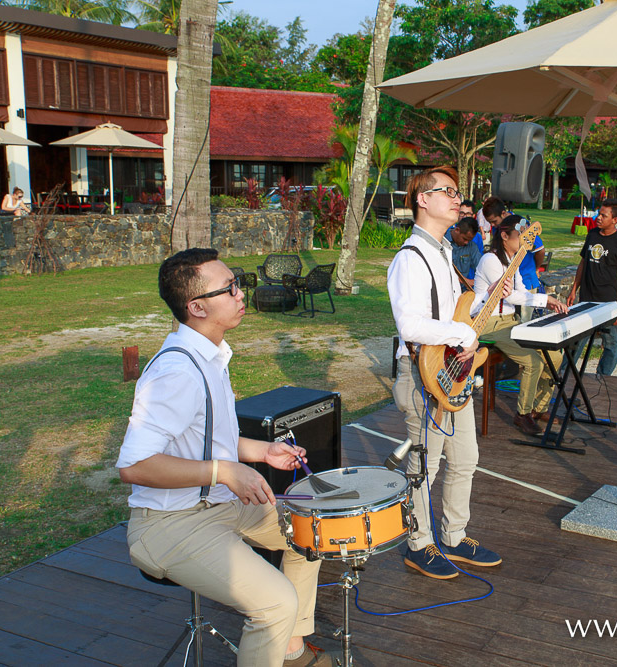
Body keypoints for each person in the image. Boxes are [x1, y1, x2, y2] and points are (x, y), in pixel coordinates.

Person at [116, 248, 338, 667]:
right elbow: (134, 466)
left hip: (218, 506)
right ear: (196, 307)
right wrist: (224, 471)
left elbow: (211, 438)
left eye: (238, 284)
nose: (241, 294)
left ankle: (289, 648)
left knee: (311, 531)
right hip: (168, 525)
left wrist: (263, 451)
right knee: (274, 602)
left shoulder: (212, 356)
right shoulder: (176, 372)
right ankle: (279, 630)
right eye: (230, 288)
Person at [387, 166, 506, 580]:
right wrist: (460, 332)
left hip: (450, 371)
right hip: (423, 376)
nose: (458, 199)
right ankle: (418, 544)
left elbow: (452, 314)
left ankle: (454, 537)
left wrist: (486, 300)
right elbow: (411, 325)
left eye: (458, 193)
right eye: (448, 192)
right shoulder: (410, 258)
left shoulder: (443, 251)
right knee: (425, 467)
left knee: (465, 460)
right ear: (422, 199)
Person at [472, 218, 567, 436]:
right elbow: (509, 295)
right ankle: (522, 414)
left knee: (554, 356)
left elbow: (522, 291)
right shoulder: (491, 260)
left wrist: (545, 299)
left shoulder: (513, 260)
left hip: (509, 321)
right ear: (504, 236)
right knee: (532, 361)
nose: (525, 240)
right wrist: (547, 301)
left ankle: (538, 408)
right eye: (520, 235)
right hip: (489, 323)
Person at [566, 198, 617, 376]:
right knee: (577, 340)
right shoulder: (592, 234)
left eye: (604, 215)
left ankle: (603, 376)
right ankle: (564, 374)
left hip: (608, 302)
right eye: (599, 213)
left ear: (615, 220)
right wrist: (574, 289)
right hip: (586, 298)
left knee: (612, 344)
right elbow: (583, 263)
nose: (599, 218)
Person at [514, 216, 547, 323]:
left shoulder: (525, 228)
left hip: (527, 280)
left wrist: (537, 268)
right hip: (510, 283)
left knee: (525, 320)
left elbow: (541, 251)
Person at [444, 216, 482, 289]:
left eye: (469, 240)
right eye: (464, 239)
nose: (466, 243)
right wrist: (460, 280)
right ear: (457, 230)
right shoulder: (442, 241)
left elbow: (481, 269)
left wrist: (473, 282)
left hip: (462, 293)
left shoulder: (472, 247)